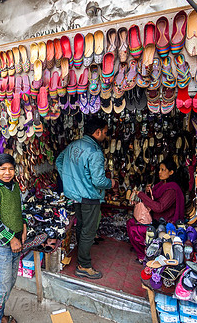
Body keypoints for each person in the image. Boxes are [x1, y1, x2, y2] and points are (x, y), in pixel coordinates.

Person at [56, 116, 116, 279]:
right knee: (89, 231)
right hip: (89, 197)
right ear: (97, 132)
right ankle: (84, 265)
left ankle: (81, 257)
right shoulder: (95, 152)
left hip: (75, 196)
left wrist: (69, 180)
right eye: (104, 132)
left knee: (82, 227)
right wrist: (111, 183)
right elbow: (98, 181)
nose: (105, 135)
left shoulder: (73, 145)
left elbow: (58, 162)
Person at [0, 153, 26, 323]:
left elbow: (20, 210)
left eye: (10, 169)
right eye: (3, 169)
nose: (7, 172)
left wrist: (24, 227)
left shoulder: (15, 187)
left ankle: (0, 317)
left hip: (16, 241)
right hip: (2, 246)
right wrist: (11, 239)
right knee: (1, 289)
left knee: (9, 284)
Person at [127, 157, 185, 262]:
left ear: (171, 172)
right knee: (130, 222)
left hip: (163, 224)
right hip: (154, 219)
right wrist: (149, 192)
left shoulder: (172, 189)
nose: (160, 172)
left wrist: (141, 195)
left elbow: (159, 207)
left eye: (163, 170)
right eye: (160, 169)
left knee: (134, 230)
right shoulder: (161, 185)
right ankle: (140, 247)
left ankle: (142, 256)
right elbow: (154, 200)